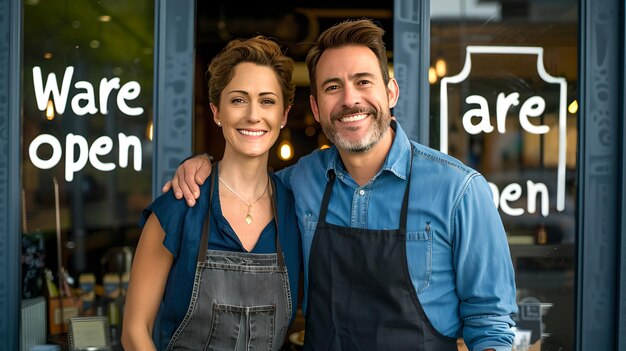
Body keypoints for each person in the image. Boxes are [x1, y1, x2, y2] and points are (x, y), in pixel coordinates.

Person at [164, 19, 518, 351]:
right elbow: (243, 182)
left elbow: (490, 323)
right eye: (333, 87)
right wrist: (202, 165)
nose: (350, 100)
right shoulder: (300, 182)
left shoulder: (459, 191)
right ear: (316, 108)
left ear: (391, 92)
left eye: (363, 81)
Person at [122, 36, 301, 351]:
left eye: (267, 101)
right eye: (238, 100)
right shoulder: (181, 206)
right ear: (217, 112)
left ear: (283, 116)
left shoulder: (297, 208)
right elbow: (135, 331)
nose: (253, 115)